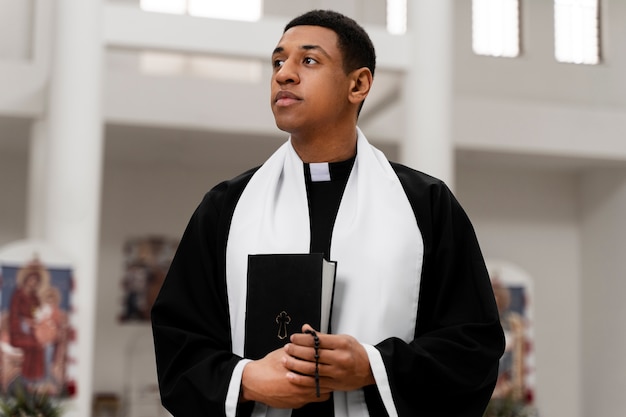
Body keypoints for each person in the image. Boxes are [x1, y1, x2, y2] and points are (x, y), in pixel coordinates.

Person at [151, 9, 505, 417]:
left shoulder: (425, 204)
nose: (284, 74)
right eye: (278, 61)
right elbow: (179, 340)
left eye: (309, 60)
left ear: (358, 84)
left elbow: (472, 344)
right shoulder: (226, 206)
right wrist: (245, 380)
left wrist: (374, 367)